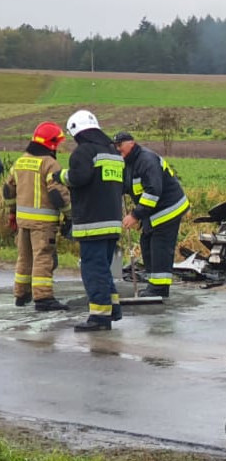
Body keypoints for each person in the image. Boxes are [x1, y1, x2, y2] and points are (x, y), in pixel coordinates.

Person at [55, 110, 125, 331]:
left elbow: (79, 177)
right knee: (102, 267)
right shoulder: (112, 152)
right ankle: (112, 309)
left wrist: (60, 176)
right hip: (112, 220)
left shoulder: (84, 152)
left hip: (92, 222)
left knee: (93, 269)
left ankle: (99, 318)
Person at [2, 122, 71, 311]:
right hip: (44, 223)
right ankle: (43, 298)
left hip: (23, 221)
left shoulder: (20, 161)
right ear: (52, 143)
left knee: (24, 257)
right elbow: (58, 193)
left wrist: (13, 213)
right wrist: (70, 215)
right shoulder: (50, 164)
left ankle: (21, 294)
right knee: (43, 257)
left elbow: (8, 190)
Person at [116, 131, 190, 297]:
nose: (118, 149)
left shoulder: (146, 160)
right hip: (154, 211)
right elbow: (129, 186)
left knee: (160, 247)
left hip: (168, 209)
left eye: (120, 145)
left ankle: (159, 289)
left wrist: (135, 215)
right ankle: (153, 285)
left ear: (131, 143)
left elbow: (152, 192)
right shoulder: (129, 162)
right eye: (116, 146)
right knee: (147, 244)